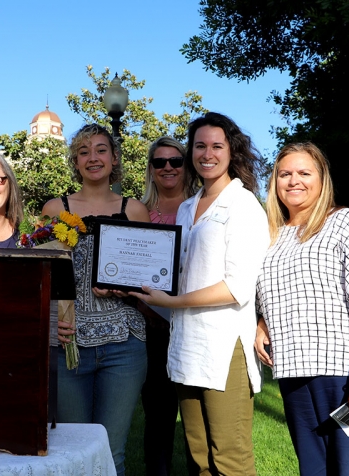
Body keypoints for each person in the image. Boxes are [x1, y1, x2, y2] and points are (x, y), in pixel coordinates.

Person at [130, 112, 269, 475]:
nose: (207, 153)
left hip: (224, 348)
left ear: (231, 151)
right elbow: (176, 273)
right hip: (186, 346)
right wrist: (125, 281)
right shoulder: (188, 207)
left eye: (216, 146)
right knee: (199, 456)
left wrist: (172, 302)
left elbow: (236, 286)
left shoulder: (243, 206)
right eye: (200, 145)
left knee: (229, 458)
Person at [254, 142, 349, 475]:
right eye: (285, 174)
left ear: (322, 179)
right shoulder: (272, 235)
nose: (293, 181)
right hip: (293, 374)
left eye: (304, 173)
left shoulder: (345, 223)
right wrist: (261, 321)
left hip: (344, 376)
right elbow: (271, 290)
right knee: (313, 470)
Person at [41, 124, 150, 476]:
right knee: (73, 453)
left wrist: (123, 287)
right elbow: (44, 276)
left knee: (111, 452)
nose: (93, 158)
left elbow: (146, 278)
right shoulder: (55, 208)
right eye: (84, 151)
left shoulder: (134, 210)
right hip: (69, 341)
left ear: (114, 158)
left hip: (123, 344)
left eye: (101, 150)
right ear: (75, 161)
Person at [139, 136, 197, 476]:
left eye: (175, 161)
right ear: (151, 169)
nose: (168, 168)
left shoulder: (201, 209)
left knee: (195, 418)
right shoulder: (139, 212)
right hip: (152, 327)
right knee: (158, 416)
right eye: (160, 162)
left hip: (192, 326)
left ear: (185, 166)